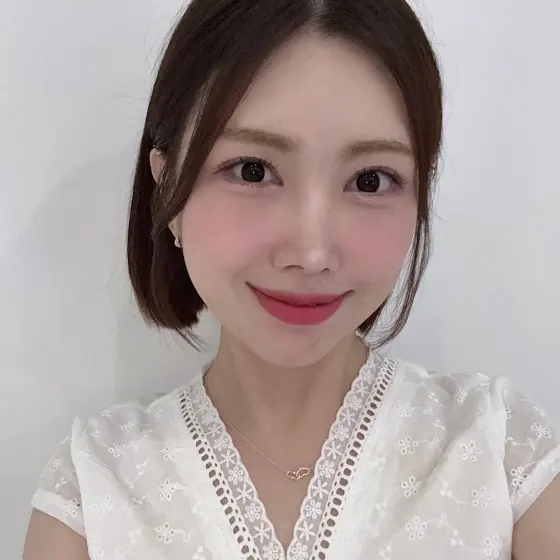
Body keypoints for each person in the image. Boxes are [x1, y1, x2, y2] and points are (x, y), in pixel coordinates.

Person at [23, 0, 560, 558]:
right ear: (168, 190)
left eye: (370, 180)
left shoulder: (505, 456)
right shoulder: (93, 490)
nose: (311, 253)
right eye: (252, 170)